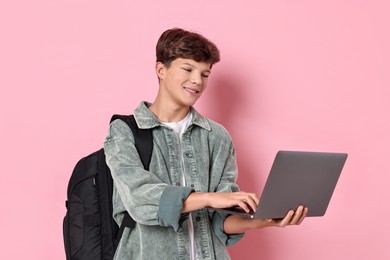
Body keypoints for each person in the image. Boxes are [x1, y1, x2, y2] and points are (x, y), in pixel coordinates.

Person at [104, 28, 308, 260]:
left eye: (205, 74)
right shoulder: (124, 131)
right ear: (161, 70)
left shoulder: (217, 137)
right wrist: (210, 198)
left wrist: (263, 220)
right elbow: (141, 201)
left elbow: (221, 220)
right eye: (188, 69)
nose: (197, 81)